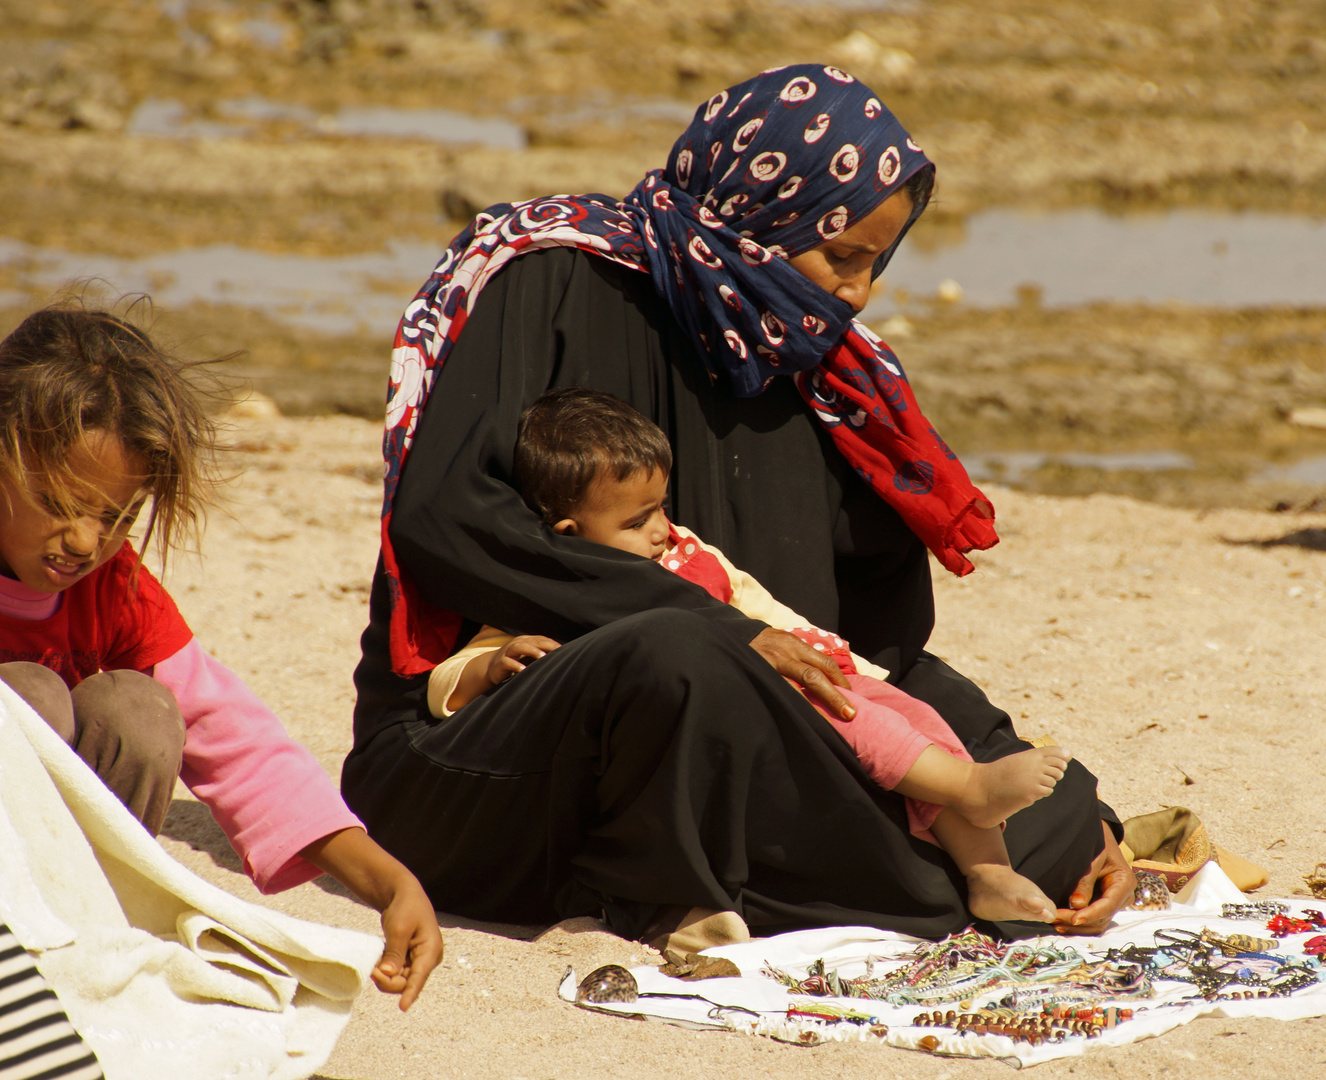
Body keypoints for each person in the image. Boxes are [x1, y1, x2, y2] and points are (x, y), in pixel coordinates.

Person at [344, 63, 1134, 940]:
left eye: (876, 265)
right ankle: (707, 876)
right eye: (842, 257)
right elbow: (446, 519)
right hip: (495, 754)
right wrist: (728, 632)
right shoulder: (554, 277)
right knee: (680, 653)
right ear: (768, 214)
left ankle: (735, 876)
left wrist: (1080, 809)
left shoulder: (826, 379)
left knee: (1056, 820)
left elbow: (876, 658)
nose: (856, 294)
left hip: (744, 754)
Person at [430, 387, 1073, 923]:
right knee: (864, 724)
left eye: (661, 509)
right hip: (757, 705)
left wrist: (835, 654)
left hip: (807, 665)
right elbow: (448, 679)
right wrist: (492, 665)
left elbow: (756, 606)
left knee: (917, 721)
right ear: (568, 537)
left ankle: (986, 870)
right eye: (635, 522)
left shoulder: (685, 551)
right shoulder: (556, 594)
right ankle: (969, 788)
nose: (660, 530)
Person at [0, 303, 442, 1010]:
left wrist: (389, 881)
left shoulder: (114, 591)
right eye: (60, 501)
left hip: (61, 898)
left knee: (140, 710)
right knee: (28, 698)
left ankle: (83, 933)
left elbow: (235, 739)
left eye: (115, 516)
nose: (86, 542)